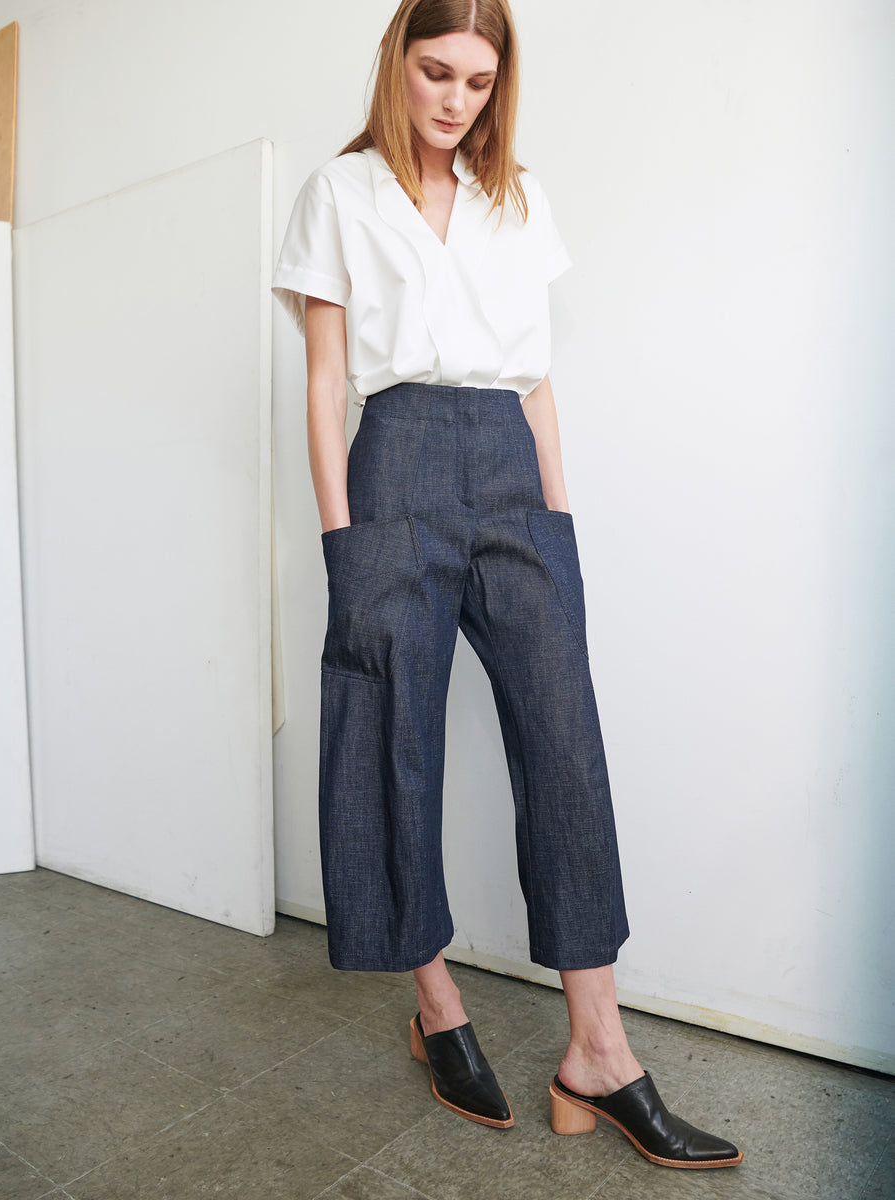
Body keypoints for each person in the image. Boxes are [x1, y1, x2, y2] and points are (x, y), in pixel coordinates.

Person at [272, 0, 742, 1170]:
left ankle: (600, 1051)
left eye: (478, 82)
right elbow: (329, 383)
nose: (455, 101)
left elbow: (536, 381)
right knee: (393, 734)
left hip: (509, 472)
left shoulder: (516, 198)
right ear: (397, 61)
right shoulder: (340, 196)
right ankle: (438, 1011)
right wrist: (345, 546)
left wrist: (558, 520)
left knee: (565, 743)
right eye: (436, 72)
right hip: (394, 462)